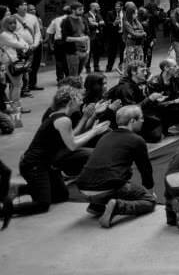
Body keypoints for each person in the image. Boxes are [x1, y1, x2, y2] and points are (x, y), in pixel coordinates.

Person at [10, 87, 110, 217]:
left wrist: (92, 127)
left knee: (61, 196)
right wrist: (94, 131)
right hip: (34, 165)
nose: (81, 102)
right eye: (79, 99)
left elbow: (71, 137)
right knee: (42, 204)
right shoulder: (63, 120)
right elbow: (72, 145)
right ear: (70, 102)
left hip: (46, 164)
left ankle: (18, 189)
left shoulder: (61, 117)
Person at [76, 105, 156, 228]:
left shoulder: (105, 136)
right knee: (149, 202)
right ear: (132, 121)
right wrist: (149, 191)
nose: (143, 120)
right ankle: (118, 206)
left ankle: (97, 205)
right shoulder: (136, 140)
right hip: (106, 186)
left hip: (83, 186)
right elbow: (145, 169)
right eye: (141, 118)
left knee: (119, 172)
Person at [61, 2, 90, 77]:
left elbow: (87, 35)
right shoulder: (66, 21)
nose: (82, 11)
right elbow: (66, 38)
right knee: (73, 74)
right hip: (73, 52)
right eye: (80, 9)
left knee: (79, 73)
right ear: (73, 10)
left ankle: (77, 86)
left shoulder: (83, 19)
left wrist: (88, 50)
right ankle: (73, 88)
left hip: (84, 50)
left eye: (83, 9)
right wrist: (79, 39)